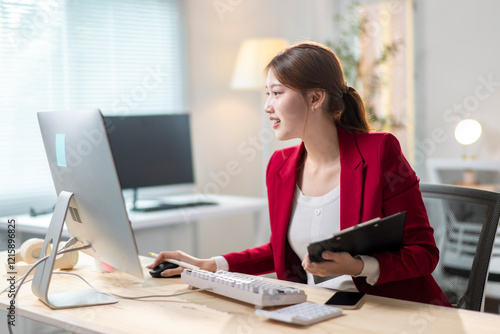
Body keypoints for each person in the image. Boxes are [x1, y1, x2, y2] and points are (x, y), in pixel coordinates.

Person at [148, 41, 451, 306]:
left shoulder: (379, 152)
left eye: (277, 93)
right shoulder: (280, 166)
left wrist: (358, 266)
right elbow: (280, 250)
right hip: (321, 310)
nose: (267, 106)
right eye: (267, 93)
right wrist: (210, 265)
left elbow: (424, 254)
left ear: (316, 98)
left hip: (391, 313)